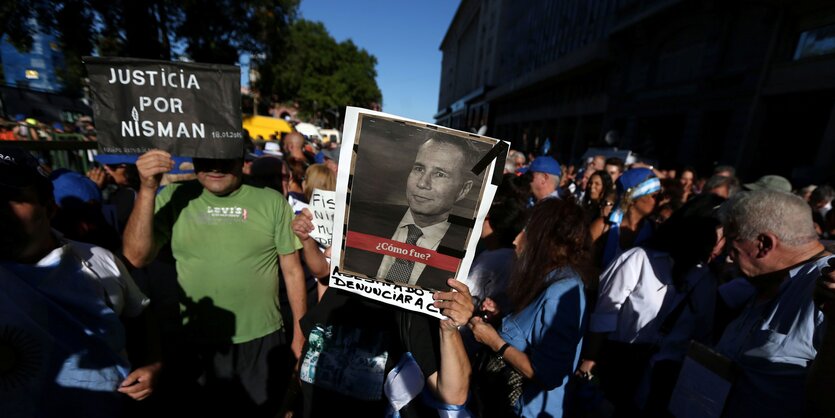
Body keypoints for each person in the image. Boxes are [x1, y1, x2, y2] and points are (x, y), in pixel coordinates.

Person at [121, 149, 307, 417]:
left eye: (224, 157)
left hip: (261, 341)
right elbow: (136, 256)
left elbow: (292, 270)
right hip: (195, 344)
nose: (215, 166)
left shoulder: (271, 200)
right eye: (205, 157)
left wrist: (299, 338)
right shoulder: (175, 196)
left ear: (241, 157)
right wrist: (148, 188)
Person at [0, 146, 158, 417]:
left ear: (48, 208)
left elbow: (139, 314)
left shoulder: (98, 261)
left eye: (10, 197)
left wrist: (152, 364)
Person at [578, 194, 725, 417]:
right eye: (718, 236)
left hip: (665, 385)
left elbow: (703, 337)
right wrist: (587, 366)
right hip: (620, 369)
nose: (721, 246)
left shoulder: (705, 279)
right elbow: (604, 316)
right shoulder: (638, 260)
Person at [469, 198, 590, 417]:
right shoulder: (546, 277)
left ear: (546, 241)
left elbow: (548, 374)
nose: (517, 241)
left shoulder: (562, 289)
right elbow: (532, 335)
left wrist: (494, 341)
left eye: (528, 232)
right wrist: (500, 318)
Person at [714, 189, 829, 418]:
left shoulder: (827, 289)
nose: (725, 254)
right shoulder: (767, 279)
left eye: (732, 244)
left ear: (764, 244)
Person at [298, 278, 474, 417]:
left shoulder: (410, 312)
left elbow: (453, 396)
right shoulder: (337, 294)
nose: (328, 251)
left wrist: (449, 329)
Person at [343, 137, 478, 290]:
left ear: (463, 190)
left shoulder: (469, 252)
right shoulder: (360, 218)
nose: (422, 183)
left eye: (440, 174)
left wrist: (464, 311)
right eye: (419, 169)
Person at [590, 168, 660, 269]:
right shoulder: (602, 227)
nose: (659, 200)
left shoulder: (654, 230)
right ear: (633, 199)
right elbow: (582, 264)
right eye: (654, 196)